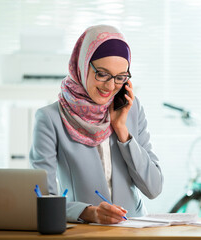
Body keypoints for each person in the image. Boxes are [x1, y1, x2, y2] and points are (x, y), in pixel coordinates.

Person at [30, 24, 163, 224]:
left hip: (134, 228)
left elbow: (154, 188)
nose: (110, 86)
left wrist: (122, 131)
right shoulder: (50, 119)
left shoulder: (131, 110)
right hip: (85, 231)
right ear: (83, 65)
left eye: (120, 77)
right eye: (102, 74)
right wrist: (89, 212)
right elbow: (42, 199)